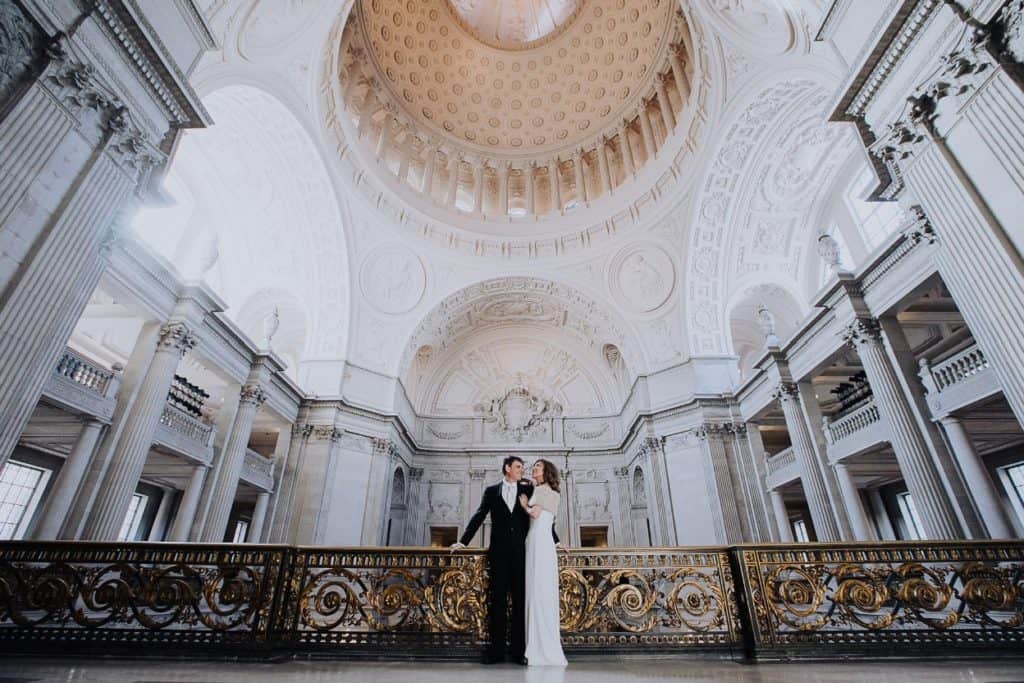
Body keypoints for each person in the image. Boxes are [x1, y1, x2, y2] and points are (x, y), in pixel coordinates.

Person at [451, 455, 560, 665]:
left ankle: (519, 653)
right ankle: (496, 652)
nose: (522, 470)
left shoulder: (529, 490)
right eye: (518, 467)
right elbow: (480, 515)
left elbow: (545, 518)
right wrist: (463, 542)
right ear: (507, 468)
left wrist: (555, 542)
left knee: (520, 602)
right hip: (498, 554)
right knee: (497, 602)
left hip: (523, 554)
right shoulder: (492, 491)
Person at [519, 459, 568, 667]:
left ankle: (536, 648)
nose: (534, 469)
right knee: (544, 590)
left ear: (545, 471)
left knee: (536, 591)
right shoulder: (554, 493)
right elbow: (549, 522)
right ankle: (547, 646)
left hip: (537, 541)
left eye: (537, 466)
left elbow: (535, 514)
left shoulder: (540, 490)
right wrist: (557, 542)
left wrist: (523, 504)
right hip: (546, 542)